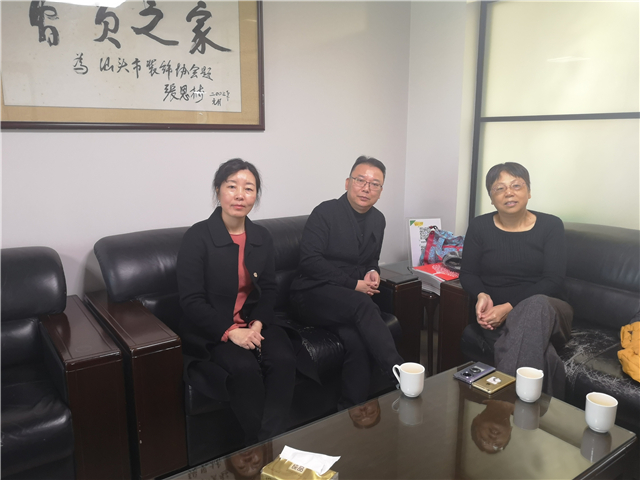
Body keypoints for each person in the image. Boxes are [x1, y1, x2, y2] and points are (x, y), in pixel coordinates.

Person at [177, 158, 296, 446]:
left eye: (249, 188)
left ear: (256, 196)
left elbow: (269, 289)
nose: (240, 195)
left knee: (284, 358)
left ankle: (271, 443)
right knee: (244, 369)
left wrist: (257, 324)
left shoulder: (261, 237)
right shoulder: (197, 237)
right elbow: (191, 300)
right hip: (213, 330)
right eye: (232, 186)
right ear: (218, 190)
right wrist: (231, 331)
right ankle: (256, 444)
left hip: (255, 322)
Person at [290, 155, 404, 410]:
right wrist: (353, 284)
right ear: (347, 183)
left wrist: (373, 271)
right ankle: (399, 373)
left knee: (357, 339)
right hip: (310, 294)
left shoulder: (378, 219)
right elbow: (309, 261)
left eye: (374, 184)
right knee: (363, 304)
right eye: (360, 180)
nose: (366, 188)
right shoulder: (325, 212)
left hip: (345, 301)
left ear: (381, 191)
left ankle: (351, 409)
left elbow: (371, 259)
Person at [460, 162, 573, 399]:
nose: (509, 193)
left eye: (516, 186)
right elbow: (468, 273)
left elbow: (553, 279)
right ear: (491, 198)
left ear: (529, 192)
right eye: (499, 188)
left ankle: (503, 401)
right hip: (497, 316)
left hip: (549, 311)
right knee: (545, 356)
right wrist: (482, 295)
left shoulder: (551, 225)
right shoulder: (479, 226)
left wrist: (508, 308)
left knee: (535, 305)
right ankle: (539, 412)